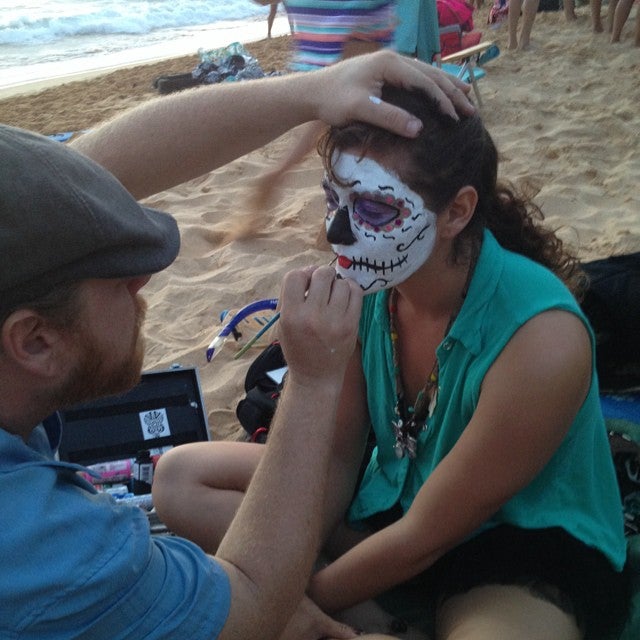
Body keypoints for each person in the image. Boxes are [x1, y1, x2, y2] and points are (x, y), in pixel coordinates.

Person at [0, 52, 474, 640]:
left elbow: (65, 187)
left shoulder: (531, 329)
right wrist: (313, 377)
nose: (144, 280)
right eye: (119, 275)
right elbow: (248, 605)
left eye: (374, 207)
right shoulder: (46, 552)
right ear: (35, 340)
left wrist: (315, 92)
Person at [150, 85, 630, 639]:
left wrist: (284, 601)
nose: (338, 231)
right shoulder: (375, 284)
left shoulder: (542, 338)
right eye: (335, 199)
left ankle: (364, 615)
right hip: (395, 503)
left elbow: (429, 535)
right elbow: (333, 458)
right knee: (181, 478)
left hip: (508, 544)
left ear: (457, 212)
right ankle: (379, 620)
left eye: (375, 208)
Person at [251, 0, 398, 213]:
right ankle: (285, 177)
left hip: (321, 49)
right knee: (352, 136)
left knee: (331, 128)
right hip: (354, 48)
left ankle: (279, 173)